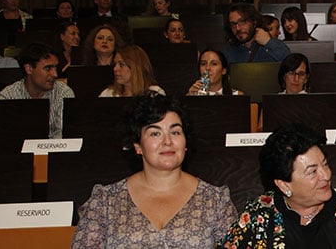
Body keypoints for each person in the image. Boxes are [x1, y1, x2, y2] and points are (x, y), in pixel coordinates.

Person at [72, 93, 236, 247]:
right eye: (155, 133)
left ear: (185, 143)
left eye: (175, 132)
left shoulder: (216, 201)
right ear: (137, 145)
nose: (167, 141)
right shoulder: (105, 201)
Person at [219, 123, 336, 248]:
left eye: (325, 164)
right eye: (312, 171)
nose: (326, 175)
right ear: (284, 184)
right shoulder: (258, 216)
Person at [0, 42, 74, 139]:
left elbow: (66, 136)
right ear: (29, 69)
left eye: (55, 67)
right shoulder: (7, 97)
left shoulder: (64, 93)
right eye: (48, 68)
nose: (55, 74)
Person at [222, 3, 291, 63]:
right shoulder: (229, 52)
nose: (238, 28)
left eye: (242, 22)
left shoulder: (271, 45)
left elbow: (289, 62)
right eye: (233, 24)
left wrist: (268, 42)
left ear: (254, 22)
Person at [99, 45, 165, 97]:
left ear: (135, 68)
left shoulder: (154, 94)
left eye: (121, 64)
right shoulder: (108, 94)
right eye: (115, 64)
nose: (115, 69)